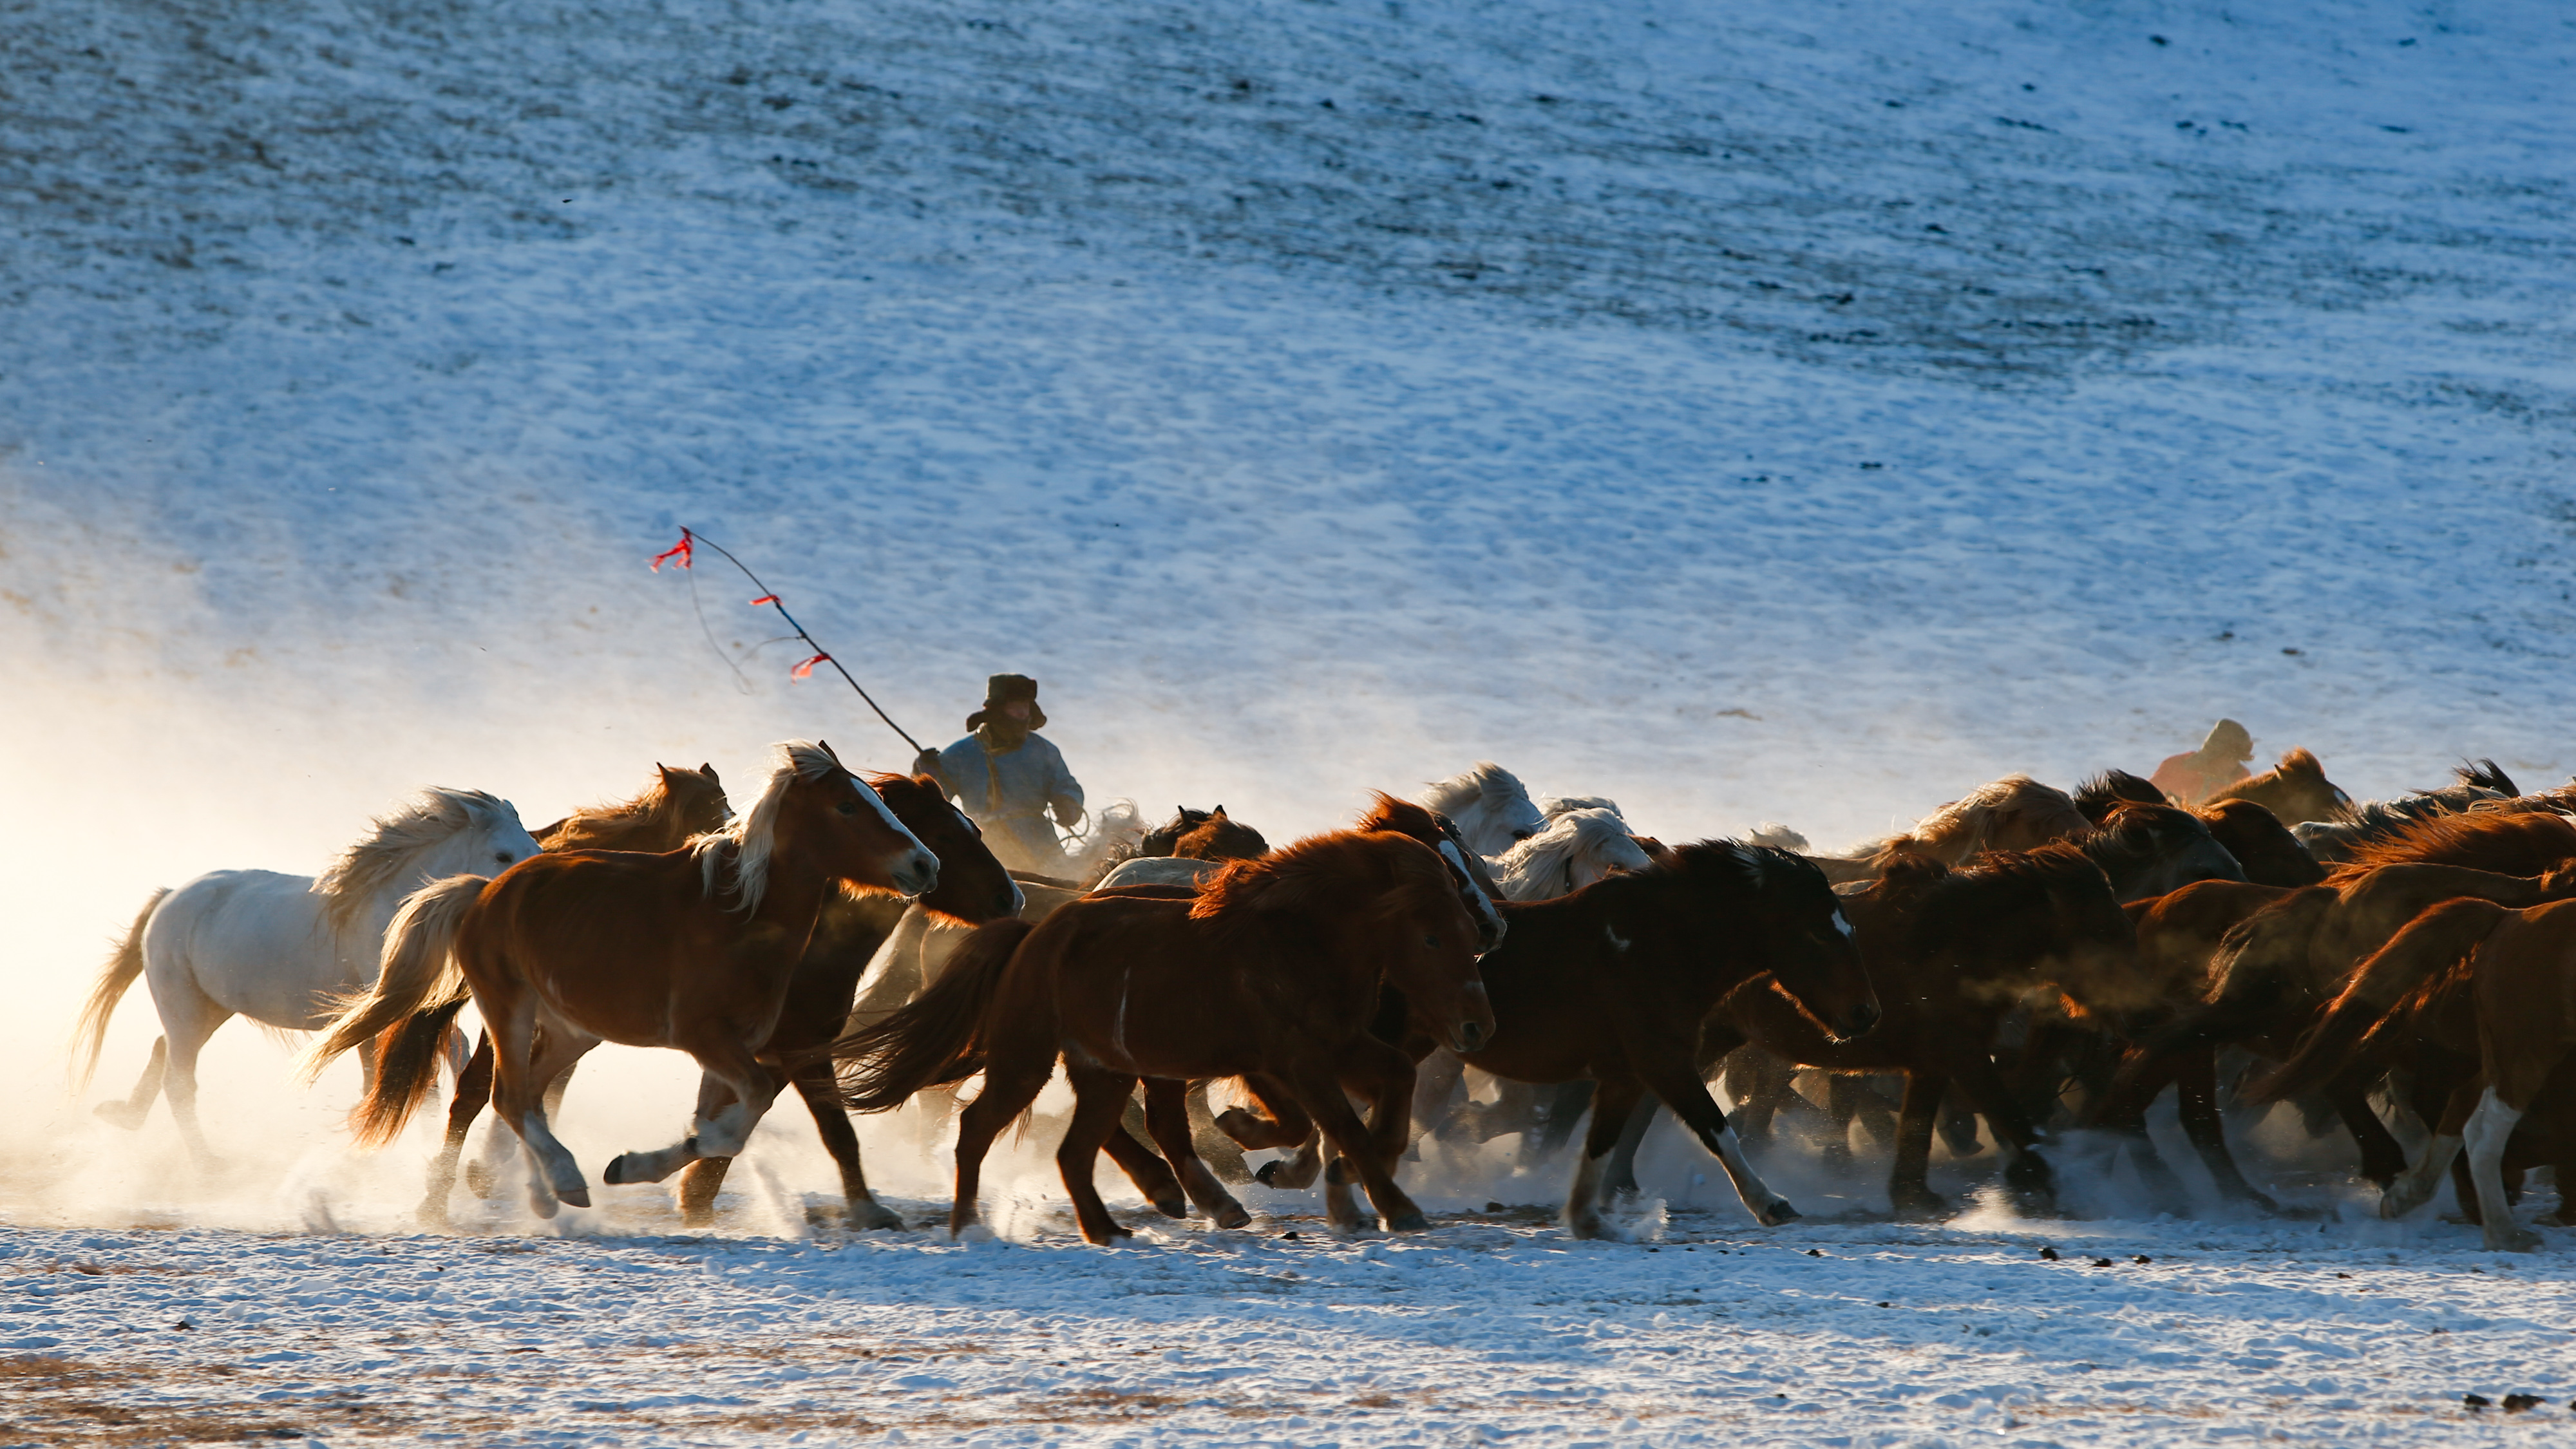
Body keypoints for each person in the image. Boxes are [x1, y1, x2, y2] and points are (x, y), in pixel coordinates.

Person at [913, 674, 1084, 875]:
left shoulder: (1044, 750)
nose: (1022, 713)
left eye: (1026, 706)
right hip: (987, 847)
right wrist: (925, 771)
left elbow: (1066, 784)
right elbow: (934, 800)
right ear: (997, 709)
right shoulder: (961, 754)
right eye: (1015, 706)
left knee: (1067, 886)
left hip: (1041, 842)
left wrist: (1068, 803)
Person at [2150, 718, 2255, 805]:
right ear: (2214, 754)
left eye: (2237, 759)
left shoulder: (2241, 777)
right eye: (2229, 758)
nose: (2233, 765)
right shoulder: (2178, 766)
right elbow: (2145, 797)